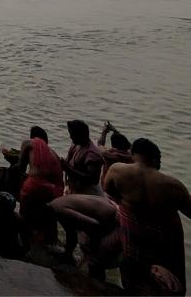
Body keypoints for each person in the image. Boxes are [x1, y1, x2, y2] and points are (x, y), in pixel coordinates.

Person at [105, 138, 190, 295]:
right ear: (155, 159)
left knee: (134, 280)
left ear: (133, 154)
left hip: (134, 241)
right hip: (163, 246)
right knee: (169, 286)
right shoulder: (173, 186)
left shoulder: (117, 171)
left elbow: (109, 191)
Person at [49, 194, 120, 279]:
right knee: (88, 249)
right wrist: (68, 253)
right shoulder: (55, 203)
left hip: (113, 219)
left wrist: (93, 246)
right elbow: (71, 233)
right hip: (111, 207)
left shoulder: (59, 210)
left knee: (94, 260)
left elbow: (94, 225)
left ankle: (96, 283)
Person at [17, 126, 63, 243]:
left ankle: (24, 237)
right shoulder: (54, 154)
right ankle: (48, 239)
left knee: (26, 190)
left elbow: (20, 168)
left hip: (34, 187)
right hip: (54, 192)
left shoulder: (28, 143)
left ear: (32, 137)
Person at [63, 119, 103, 195]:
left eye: (72, 134)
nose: (70, 137)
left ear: (80, 135)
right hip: (73, 188)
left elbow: (93, 180)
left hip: (89, 193)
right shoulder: (75, 144)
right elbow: (67, 164)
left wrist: (68, 169)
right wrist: (66, 184)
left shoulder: (92, 155)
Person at [97, 121, 132, 186]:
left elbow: (100, 144)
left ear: (113, 145)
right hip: (125, 186)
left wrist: (104, 132)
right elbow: (130, 146)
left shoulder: (110, 156)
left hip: (108, 186)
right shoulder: (132, 156)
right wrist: (115, 130)